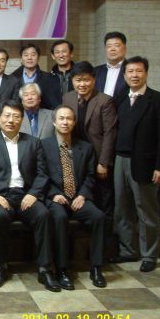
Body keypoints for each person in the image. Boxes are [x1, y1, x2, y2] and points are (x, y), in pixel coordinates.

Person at [0, 100, 60, 292]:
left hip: (25, 195)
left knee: (44, 215)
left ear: (22, 120)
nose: (10, 120)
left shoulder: (33, 142)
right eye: (7, 116)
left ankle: (45, 269)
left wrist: (34, 194)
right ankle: (0, 267)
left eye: (16, 116)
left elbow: (42, 174)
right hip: (0, 196)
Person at [112, 56, 160, 272]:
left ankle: (149, 255)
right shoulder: (121, 99)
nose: (134, 75)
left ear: (146, 73)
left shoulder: (159, 100)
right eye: (130, 72)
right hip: (120, 160)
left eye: (139, 71)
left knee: (146, 211)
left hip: (146, 163)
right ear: (125, 75)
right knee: (122, 209)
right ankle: (127, 250)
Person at [43, 106, 107, 289]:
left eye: (69, 119)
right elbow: (40, 174)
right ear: (54, 122)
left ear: (74, 122)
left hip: (78, 198)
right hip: (56, 197)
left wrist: (83, 195)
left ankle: (96, 268)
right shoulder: (43, 146)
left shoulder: (85, 147)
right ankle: (62, 269)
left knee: (99, 217)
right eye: (61, 118)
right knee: (59, 217)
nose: (65, 122)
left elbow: (90, 176)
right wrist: (53, 194)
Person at [62, 61, 117, 219]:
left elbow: (110, 133)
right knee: (81, 195)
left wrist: (103, 162)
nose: (82, 84)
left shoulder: (105, 100)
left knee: (103, 196)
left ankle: (105, 227)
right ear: (72, 81)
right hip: (77, 156)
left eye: (86, 80)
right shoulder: (68, 97)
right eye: (78, 80)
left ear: (94, 80)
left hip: (98, 156)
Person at [94, 31, 128, 107]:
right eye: (109, 46)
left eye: (116, 45)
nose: (112, 49)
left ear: (125, 48)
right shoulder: (96, 71)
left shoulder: (131, 71)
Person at [44, 39, 75, 109]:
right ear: (53, 56)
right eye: (57, 52)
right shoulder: (47, 79)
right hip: (54, 115)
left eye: (64, 51)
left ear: (71, 54)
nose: (61, 55)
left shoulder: (79, 75)